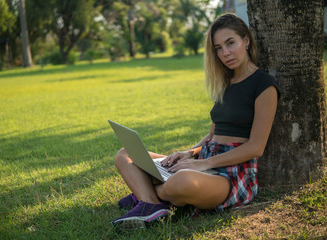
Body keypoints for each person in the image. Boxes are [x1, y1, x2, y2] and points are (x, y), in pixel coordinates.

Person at [111, 13, 280, 229]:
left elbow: (256, 147)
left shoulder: (264, 85)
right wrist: (189, 153)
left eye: (230, 43)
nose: (225, 53)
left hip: (230, 173)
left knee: (182, 181)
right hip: (204, 160)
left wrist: (203, 163)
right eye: (218, 48)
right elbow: (212, 135)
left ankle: (144, 195)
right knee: (125, 154)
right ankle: (153, 203)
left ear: (246, 40)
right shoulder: (225, 83)